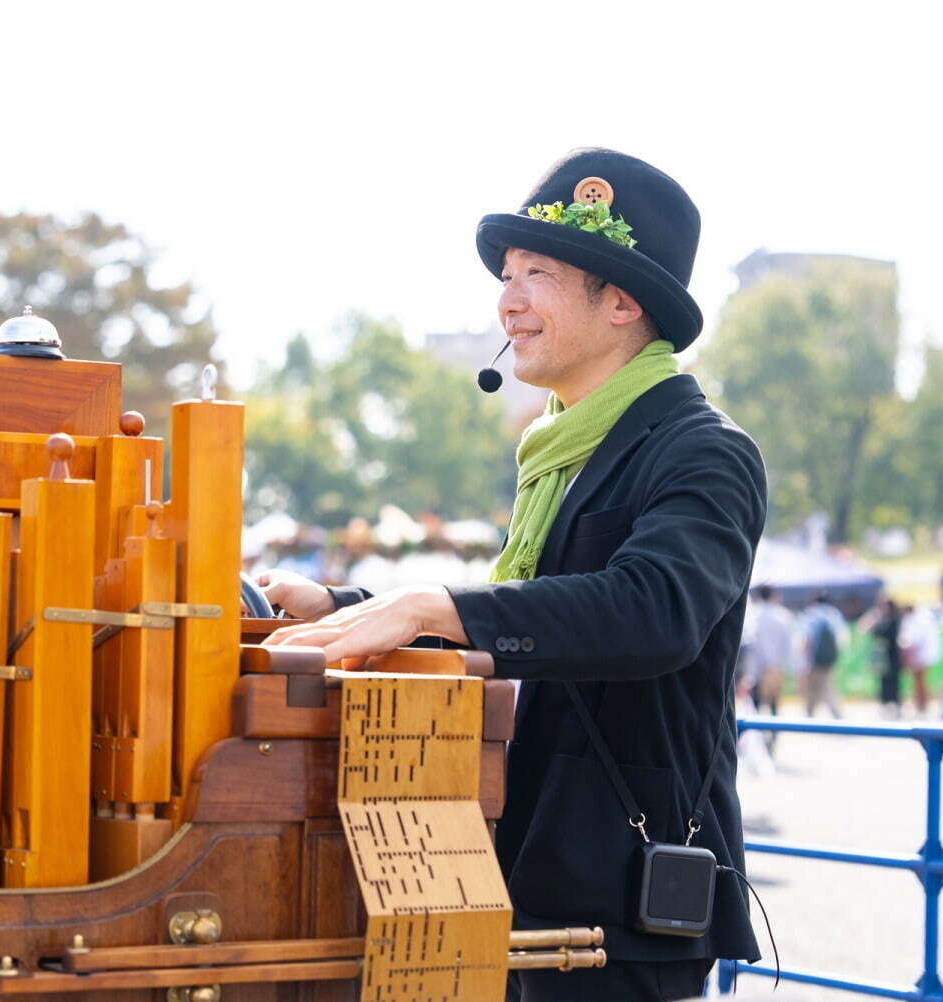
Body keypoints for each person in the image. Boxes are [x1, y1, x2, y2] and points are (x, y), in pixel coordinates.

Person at [260, 149, 765, 999]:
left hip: (622, 887)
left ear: (623, 301)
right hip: (527, 861)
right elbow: (524, 604)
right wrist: (350, 607)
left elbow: (655, 612)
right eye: (506, 274)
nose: (508, 300)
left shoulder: (703, 449)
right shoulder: (562, 448)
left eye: (536, 274)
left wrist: (433, 603)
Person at [749, 585, 794, 741]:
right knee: (774, 703)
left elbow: (750, 643)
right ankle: (774, 735)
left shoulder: (753, 614)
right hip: (775, 667)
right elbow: (788, 645)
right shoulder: (783, 615)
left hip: (756, 667)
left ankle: (756, 736)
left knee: (755, 703)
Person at [797, 593, 845, 718]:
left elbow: (806, 638)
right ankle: (836, 714)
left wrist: (804, 660)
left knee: (813, 688)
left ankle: (809, 714)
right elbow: (842, 638)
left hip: (814, 659)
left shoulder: (811, 613)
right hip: (830, 659)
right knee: (828, 686)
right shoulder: (834, 613)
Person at [899, 603, 942, 716]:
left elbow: (912, 640)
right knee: (920, 683)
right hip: (921, 656)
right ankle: (921, 704)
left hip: (918, 657)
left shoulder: (914, 622)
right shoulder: (922, 620)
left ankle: (921, 705)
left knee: (919, 683)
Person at [869, 597, 904, 719]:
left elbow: (887, 635)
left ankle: (895, 706)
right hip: (884, 657)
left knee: (894, 683)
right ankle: (886, 706)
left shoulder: (894, 620)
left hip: (893, 656)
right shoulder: (882, 619)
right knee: (884, 682)